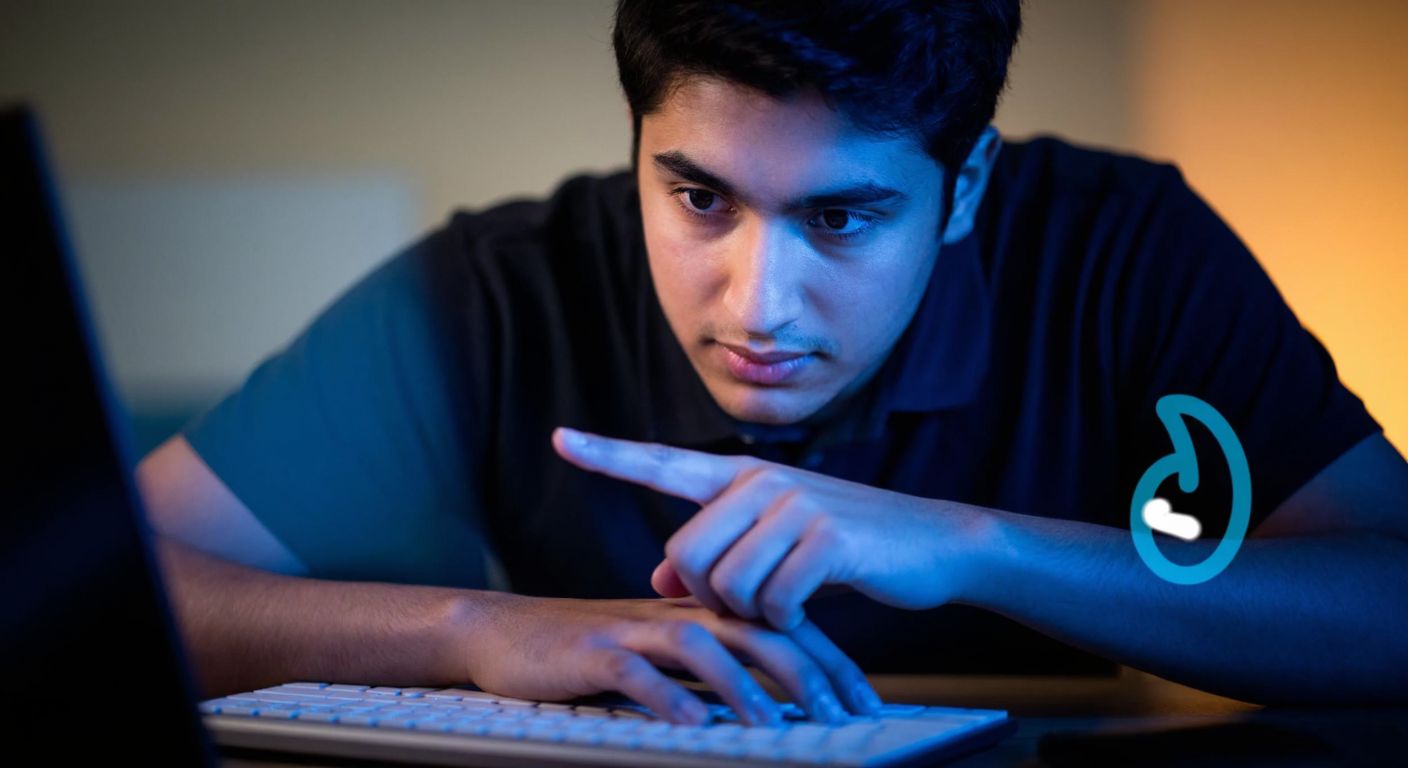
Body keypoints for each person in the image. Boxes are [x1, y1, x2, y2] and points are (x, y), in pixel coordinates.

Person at [137, 0, 1408, 727]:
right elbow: (104, 574)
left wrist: (971, 542)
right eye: (697, 197)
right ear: (637, 146)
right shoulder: (494, 289)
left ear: (963, 187)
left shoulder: (1119, 251)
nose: (758, 304)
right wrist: (474, 630)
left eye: (841, 219)